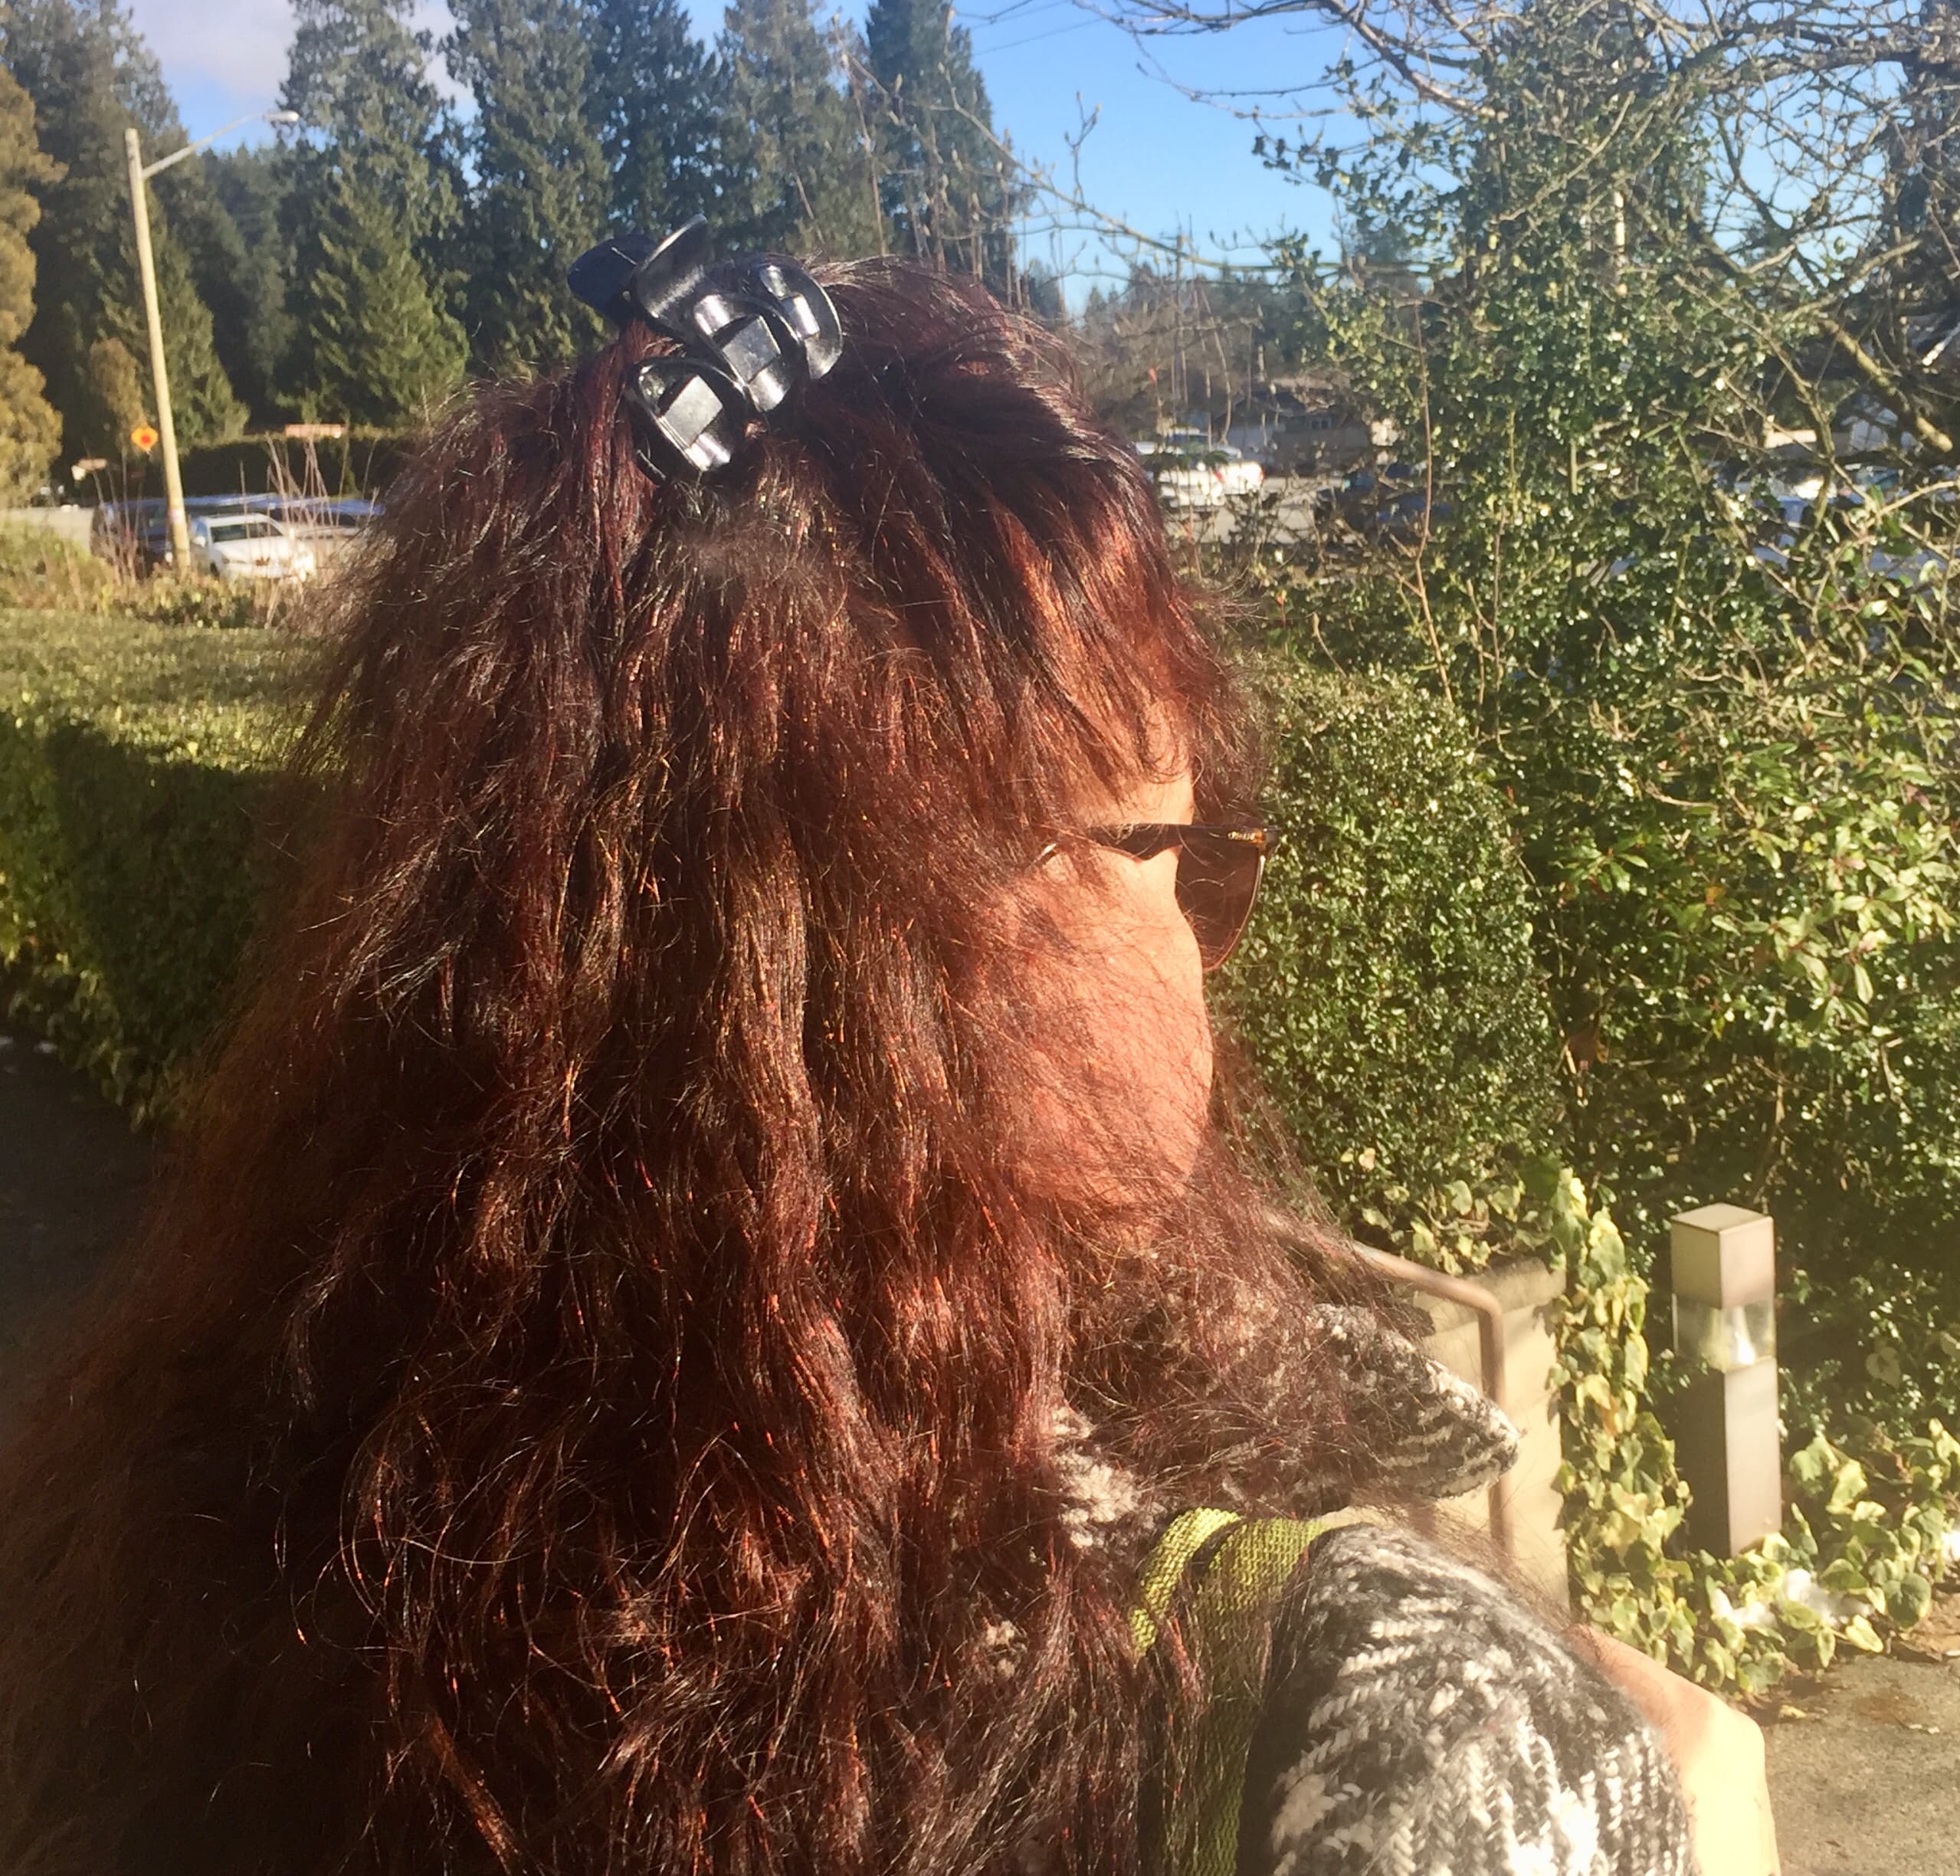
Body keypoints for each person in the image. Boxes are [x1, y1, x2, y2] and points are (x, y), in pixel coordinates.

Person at [0, 235, 1775, 1876]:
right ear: (951, 945)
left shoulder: (189, 1557)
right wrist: (1636, 1813)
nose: (1214, 947)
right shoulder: (1393, 1732)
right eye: (1188, 854)